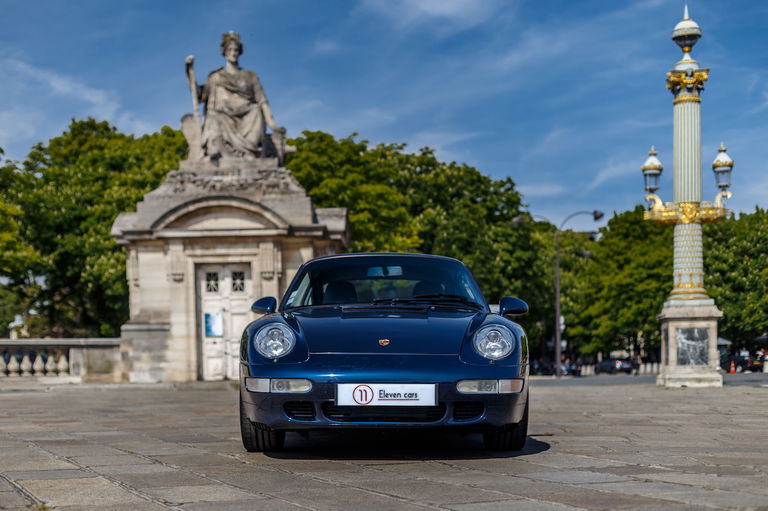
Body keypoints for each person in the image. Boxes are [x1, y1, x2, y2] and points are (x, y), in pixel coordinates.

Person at [186, 32, 285, 161]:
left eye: (236, 50)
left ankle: (248, 151)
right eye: (230, 50)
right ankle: (215, 148)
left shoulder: (250, 76)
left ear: (240, 52)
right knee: (214, 115)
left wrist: (272, 124)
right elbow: (200, 95)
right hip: (222, 116)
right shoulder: (215, 76)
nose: (233, 53)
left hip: (246, 115)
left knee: (256, 110)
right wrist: (189, 72)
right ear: (225, 52)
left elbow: (262, 101)